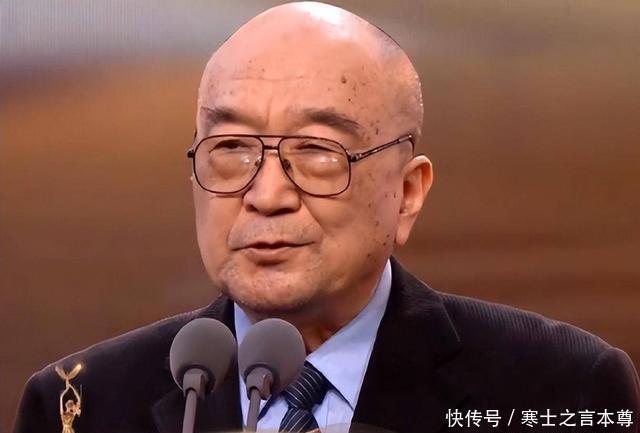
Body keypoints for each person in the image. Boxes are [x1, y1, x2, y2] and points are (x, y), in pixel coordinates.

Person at [13, 2, 640, 433]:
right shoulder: (79, 404)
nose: (266, 195)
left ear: (408, 192)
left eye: (317, 152)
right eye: (231, 149)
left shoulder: (560, 388)